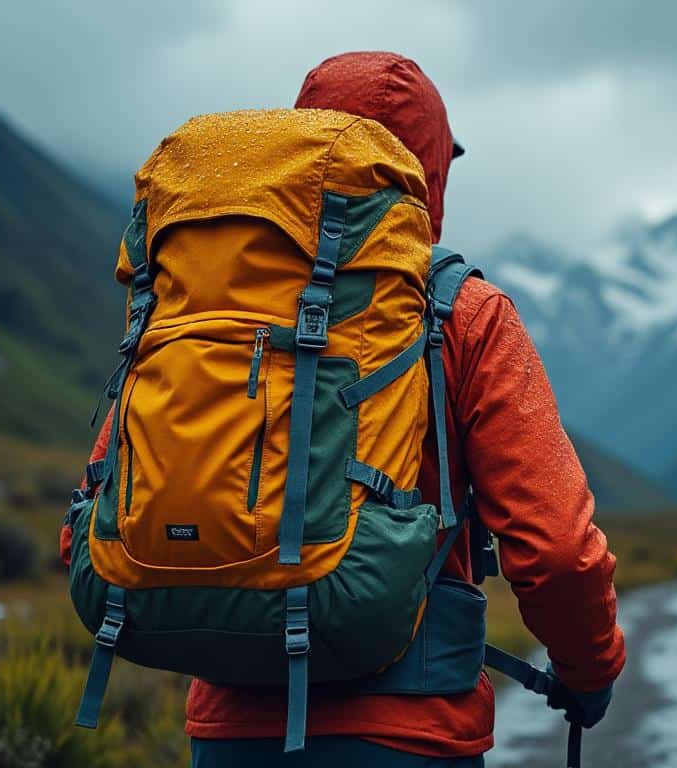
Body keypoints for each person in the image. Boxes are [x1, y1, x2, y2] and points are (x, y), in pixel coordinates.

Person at [60, 51, 626, 767]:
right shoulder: (463, 313)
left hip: (229, 738)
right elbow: (559, 554)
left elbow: (94, 508)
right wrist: (589, 673)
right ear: (427, 169)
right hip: (411, 736)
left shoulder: (196, 297)